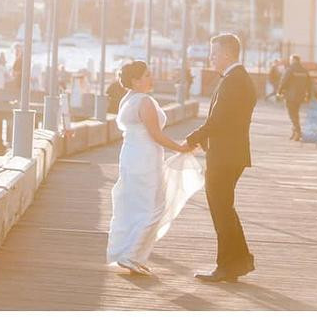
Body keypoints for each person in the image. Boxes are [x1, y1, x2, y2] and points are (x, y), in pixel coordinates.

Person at [106, 61, 203, 276]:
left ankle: (131, 254)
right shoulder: (145, 102)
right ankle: (130, 254)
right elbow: (155, 135)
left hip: (131, 155)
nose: (152, 78)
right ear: (135, 80)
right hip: (145, 158)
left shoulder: (127, 99)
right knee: (154, 206)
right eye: (148, 75)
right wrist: (181, 148)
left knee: (134, 205)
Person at [184, 33, 258, 283]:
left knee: (221, 210)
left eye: (214, 53)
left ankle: (226, 266)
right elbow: (227, 121)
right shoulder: (238, 79)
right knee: (225, 209)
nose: (211, 58)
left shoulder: (233, 82)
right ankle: (239, 262)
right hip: (231, 154)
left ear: (227, 54)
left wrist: (193, 137)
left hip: (225, 157)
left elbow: (219, 121)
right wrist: (204, 139)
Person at [277, 54, 312, 140]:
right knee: (296, 114)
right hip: (300, 96)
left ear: (293, 60)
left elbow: (284, 81)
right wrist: (308, 95)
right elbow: (309, 84)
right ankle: (294, 133)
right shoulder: (304, 71)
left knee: (292, 114)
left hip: (290, 96)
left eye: (290, 59)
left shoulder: (290, 69)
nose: (290, 61)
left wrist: (279, 91)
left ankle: (298, 131)